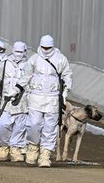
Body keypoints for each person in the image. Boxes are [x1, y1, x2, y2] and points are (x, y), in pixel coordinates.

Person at [19, 35, 72, 168]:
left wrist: (65, 94)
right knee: (33, 124)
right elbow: (26, 76)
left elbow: (67, 76)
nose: (46, 50)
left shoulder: (61, 59)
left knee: (50, 127)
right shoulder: (34, 59)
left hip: (53, 98)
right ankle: (33, 146)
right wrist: (17, 90)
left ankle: (45, 154)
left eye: (48, 47)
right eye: (44, 47)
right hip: (35, 97)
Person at [0, 41, 29, 162]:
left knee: (20, 127)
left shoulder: (29, 65)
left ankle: (16, 149)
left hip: (22, 102)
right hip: (6, 101)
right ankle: (4, 146)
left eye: (21, 51)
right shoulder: (5, 63)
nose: (18, 54)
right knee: (2, 125)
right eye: (16, 51)